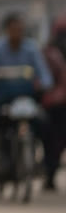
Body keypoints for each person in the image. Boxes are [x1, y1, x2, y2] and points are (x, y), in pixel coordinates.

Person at [0, 12, 53, 180]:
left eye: (20, 29)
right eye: (13, 29)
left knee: (43, 123)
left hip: (26, 98)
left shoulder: (31, 48)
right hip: (3, 97)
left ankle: (43, 161)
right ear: (7, 30)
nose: (17, 33)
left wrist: (45, 84)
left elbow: (43, 72)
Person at [41, 14, 66, 191]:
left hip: (56, 102)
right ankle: (49, 173)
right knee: (53, 140)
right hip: (56, 103)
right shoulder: (50, 54)